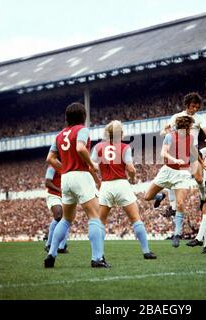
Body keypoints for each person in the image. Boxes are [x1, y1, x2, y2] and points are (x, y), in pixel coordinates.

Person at [44, 102, 110, 268]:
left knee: (66, 219)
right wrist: (92, 164)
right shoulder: (82, 129)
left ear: (67, 118)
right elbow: (80, 148)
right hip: (80, 176)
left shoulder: (59, 135)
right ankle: (97, 259)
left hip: (66, 178)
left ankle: (51, 253)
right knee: (94, 216)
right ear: (83, 116)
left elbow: (50, 159)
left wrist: (65, 168)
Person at [91, 120, 156, 260]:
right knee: (135, 218)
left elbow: (91, 166)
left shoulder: (98, 147)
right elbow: (131, 169)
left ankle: (99, 255)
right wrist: (132, 179)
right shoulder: (124, 147)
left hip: (106, 185)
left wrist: (98, 178)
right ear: (120, 133)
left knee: (100, 221)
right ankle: (146, 251)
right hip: (121, 183)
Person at [145, 115, 206, 248]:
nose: (191, 130)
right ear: (183, 127)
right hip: (167, 171)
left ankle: (177, 234)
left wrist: (202, 163)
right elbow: (163, 153)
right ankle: (160, 196)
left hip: (182, 173)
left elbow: (193, 151)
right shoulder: (170, 136)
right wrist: (174, 160)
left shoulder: (190, 137)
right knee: (147, 196)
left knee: (180, 203)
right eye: (189, 127)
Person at [155, 92, 206, 216]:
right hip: (179, 151)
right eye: (192, 106)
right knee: (173, 176)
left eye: (197, 107)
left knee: (198, 178)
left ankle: (203, 198)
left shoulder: (199, 118)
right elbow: (164, 131)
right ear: (187, 105)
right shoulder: (177, 117)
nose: (195, 109)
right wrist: (165, 132)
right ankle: (172, 207)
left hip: (193, 149)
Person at [44, 165, 69, 254]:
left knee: (66, 218)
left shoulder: (68, 165)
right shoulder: (52, 166)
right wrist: (59, 190)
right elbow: (47, 183)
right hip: (54, 195)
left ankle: (62, 246)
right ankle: (48, 244)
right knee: (58, 216)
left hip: (65, 196)